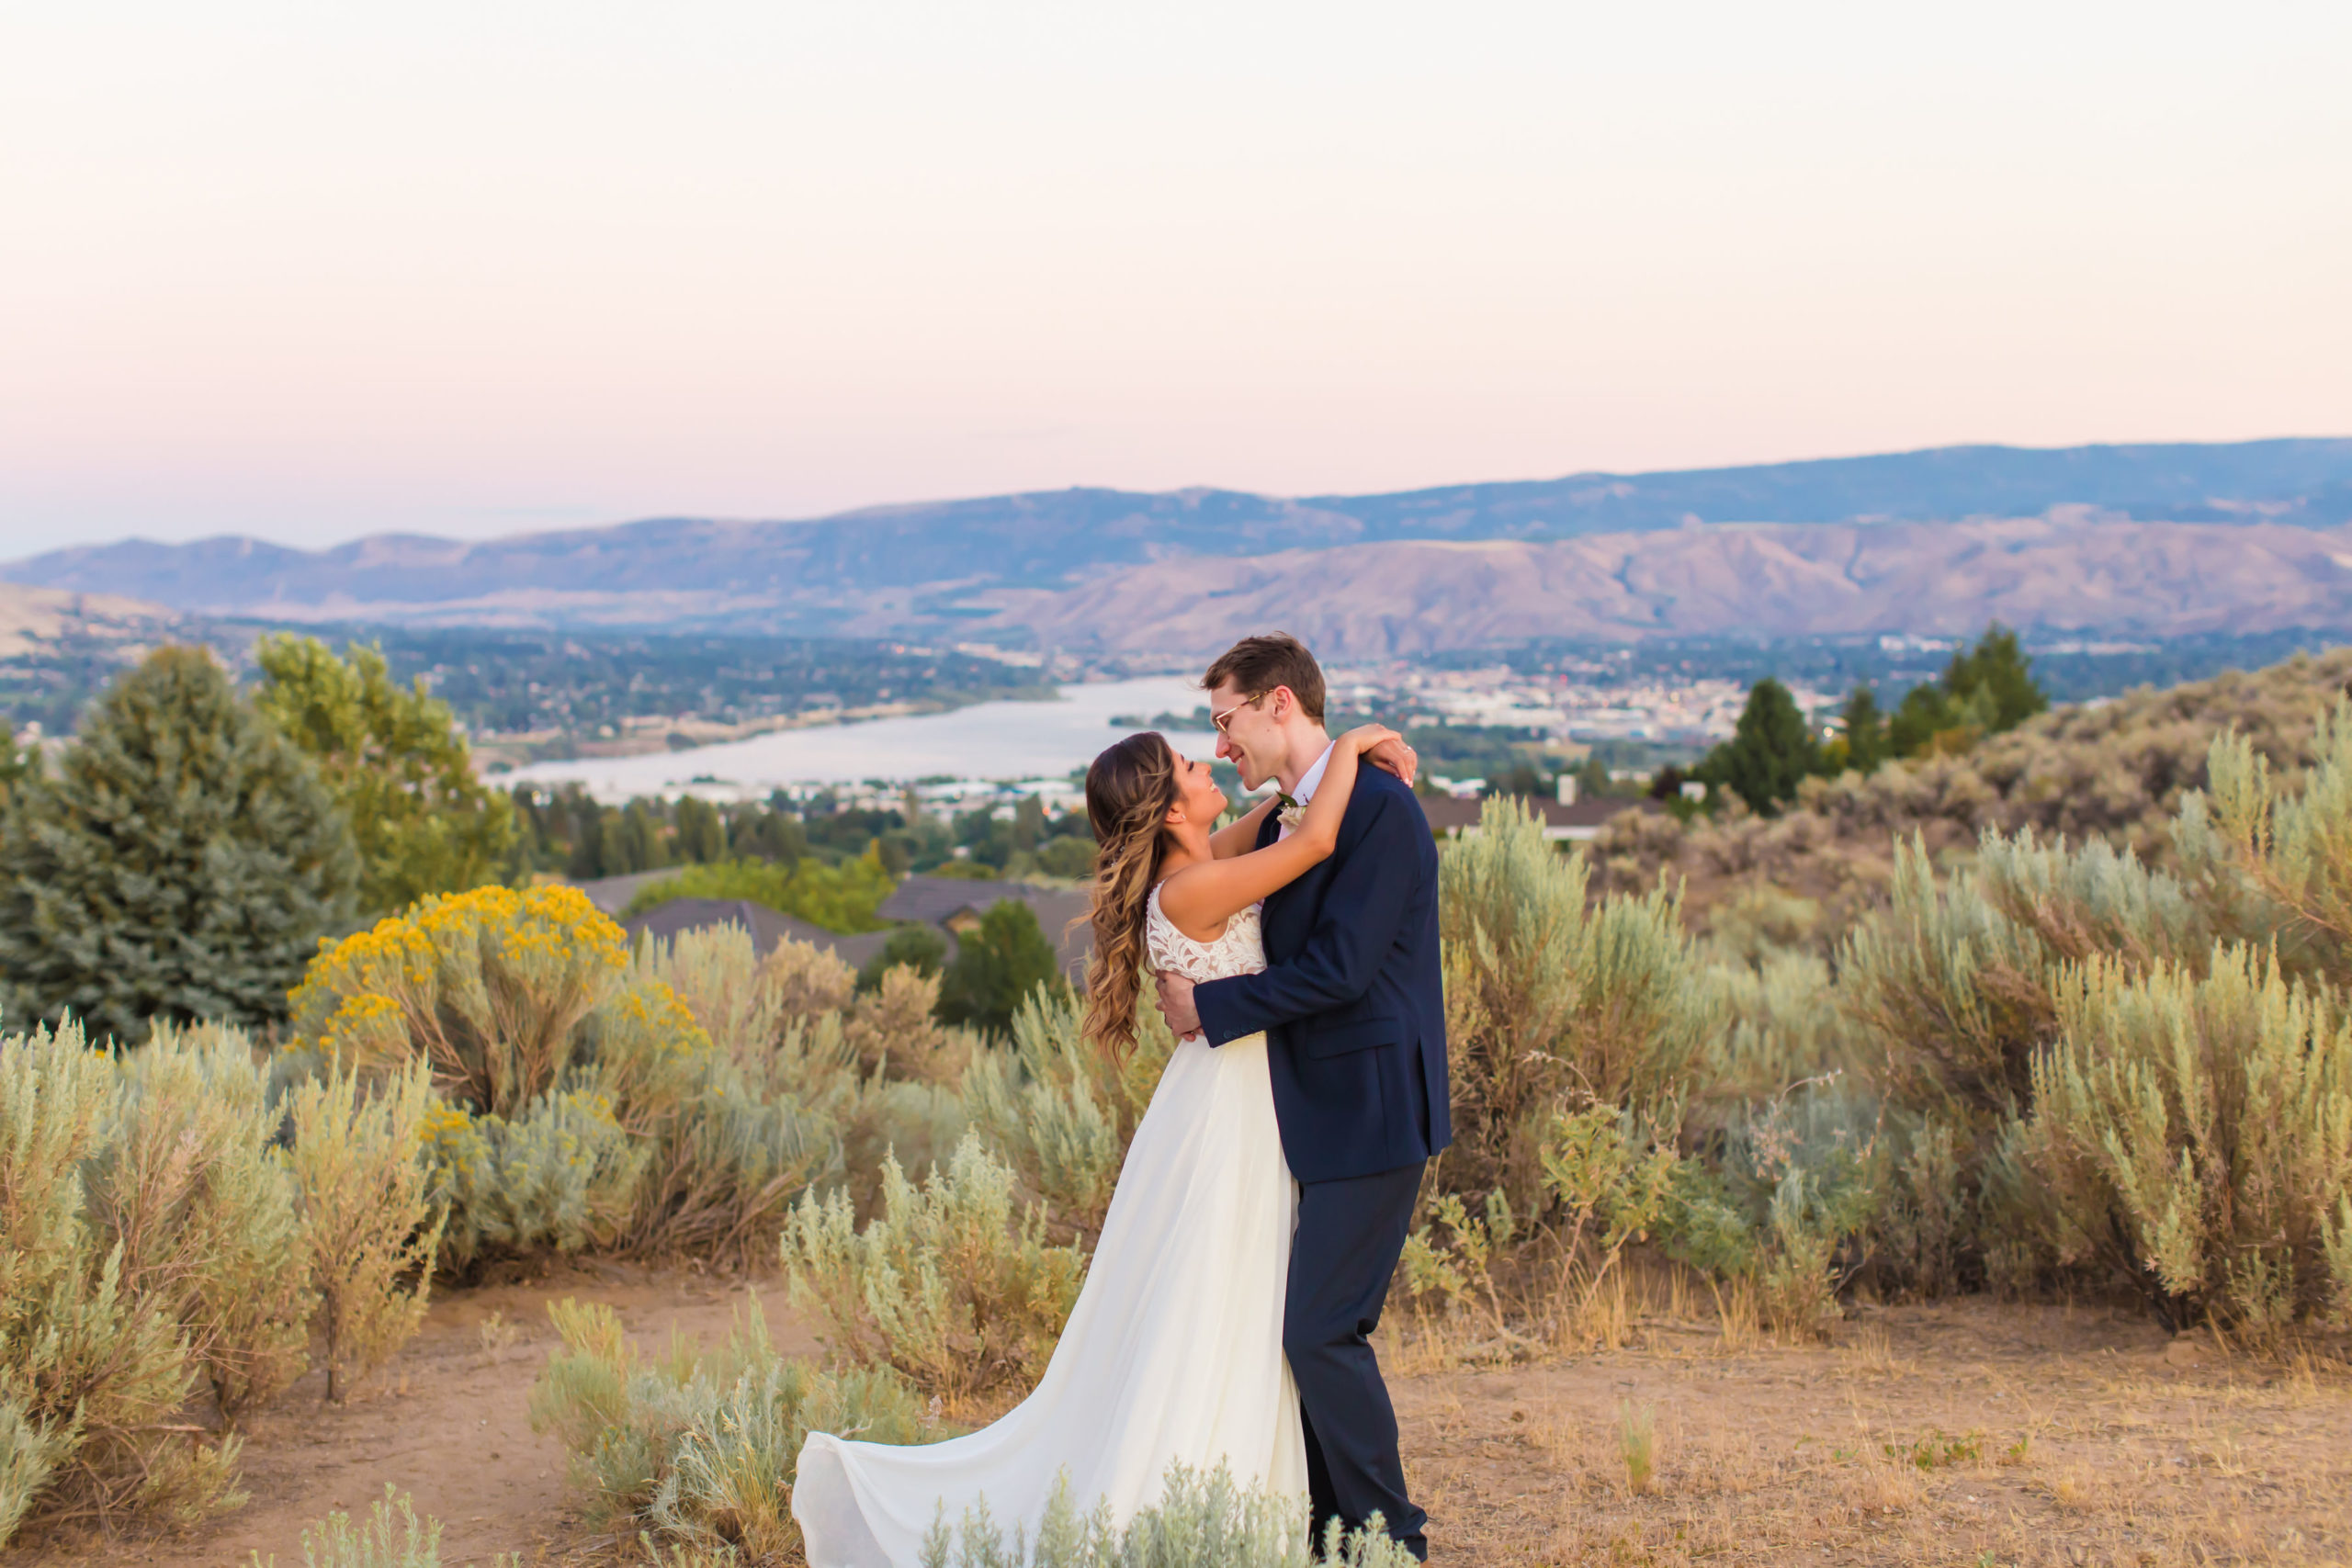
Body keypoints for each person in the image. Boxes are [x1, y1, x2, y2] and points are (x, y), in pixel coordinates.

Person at [791, 681, 1417, 1568]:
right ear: (1168, 808)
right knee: (1217, 1299)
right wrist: (1355, 743)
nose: (1211, 766)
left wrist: (1316, 765)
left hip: (1236, 1096)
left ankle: (1256, 1501)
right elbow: (1313, 839)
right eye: (1193, 765)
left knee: (1235, 1301)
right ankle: (1192, 1501)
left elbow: (1285, 811)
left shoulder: (1201, 861)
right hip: (1229, 1111)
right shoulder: (1190, 890)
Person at [1155, 633, 1446, 1561]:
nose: (1221, 745)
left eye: (1225, 720)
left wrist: (1211, 1004)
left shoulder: (1382, 812)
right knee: (1304, 1334)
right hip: (1306, 1116)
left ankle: (1388, 1543)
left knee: (1321, 1331)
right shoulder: (1297, 813)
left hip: (1371, 1109)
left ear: (1279, 703)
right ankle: (1329, 1535)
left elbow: (1343, 969)